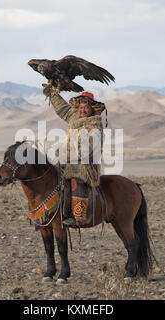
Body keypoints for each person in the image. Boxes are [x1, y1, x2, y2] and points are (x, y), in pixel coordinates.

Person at [42, 83, 105, 227]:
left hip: (86, 164)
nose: (83, 110)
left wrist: (62, 152)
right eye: (81, 107)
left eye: (86, 108)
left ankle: (78, 217)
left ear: (92, 109)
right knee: (52, 176)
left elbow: (85, 150)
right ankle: (49, 212)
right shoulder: (74, 117)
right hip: (69, 159)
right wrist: (52, 94)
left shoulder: (95, 127)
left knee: (76, 179)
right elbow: (62, 108)